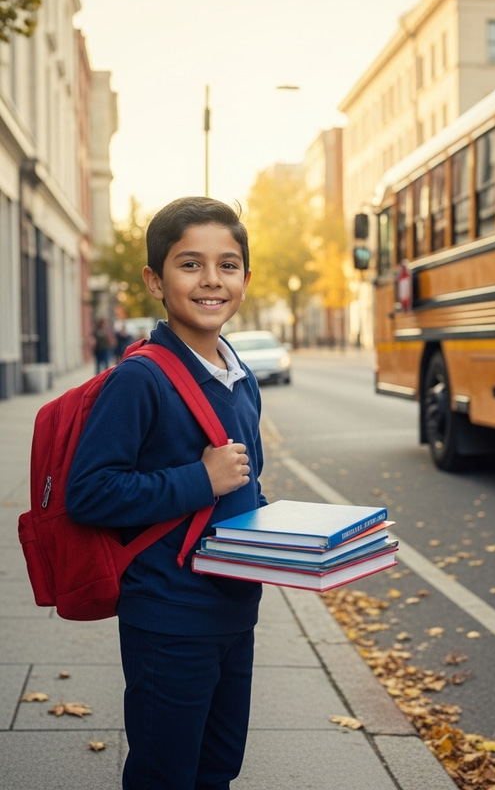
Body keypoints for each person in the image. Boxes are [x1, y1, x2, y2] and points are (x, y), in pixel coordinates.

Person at [66, 197, 266, 790]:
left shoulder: (240, 375)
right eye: (190, 264)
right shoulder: (141, 379)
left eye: (228, 265)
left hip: (235, 609)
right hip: (170, 617)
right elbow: (91, 492)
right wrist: (198, 479)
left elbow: (245, 485)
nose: (212, 280)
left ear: (245, 280)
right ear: (155, 280)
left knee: (217, 768)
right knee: (164, 774)